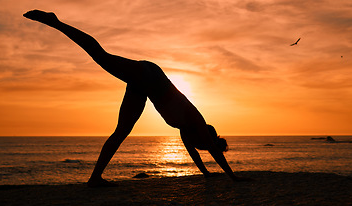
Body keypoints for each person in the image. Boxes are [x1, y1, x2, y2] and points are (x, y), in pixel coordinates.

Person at [24, 10, 250, 187]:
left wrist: (207, 174)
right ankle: (57, 23)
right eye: (202, 144)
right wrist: (233, 178)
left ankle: (95, 178)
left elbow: (196, 155)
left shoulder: (185, 130)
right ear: (206, 137)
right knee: (102, 57)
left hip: (143, 89)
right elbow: (212, 150)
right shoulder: (196, 120)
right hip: (149, 75)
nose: (195, 146)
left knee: (121, 131)